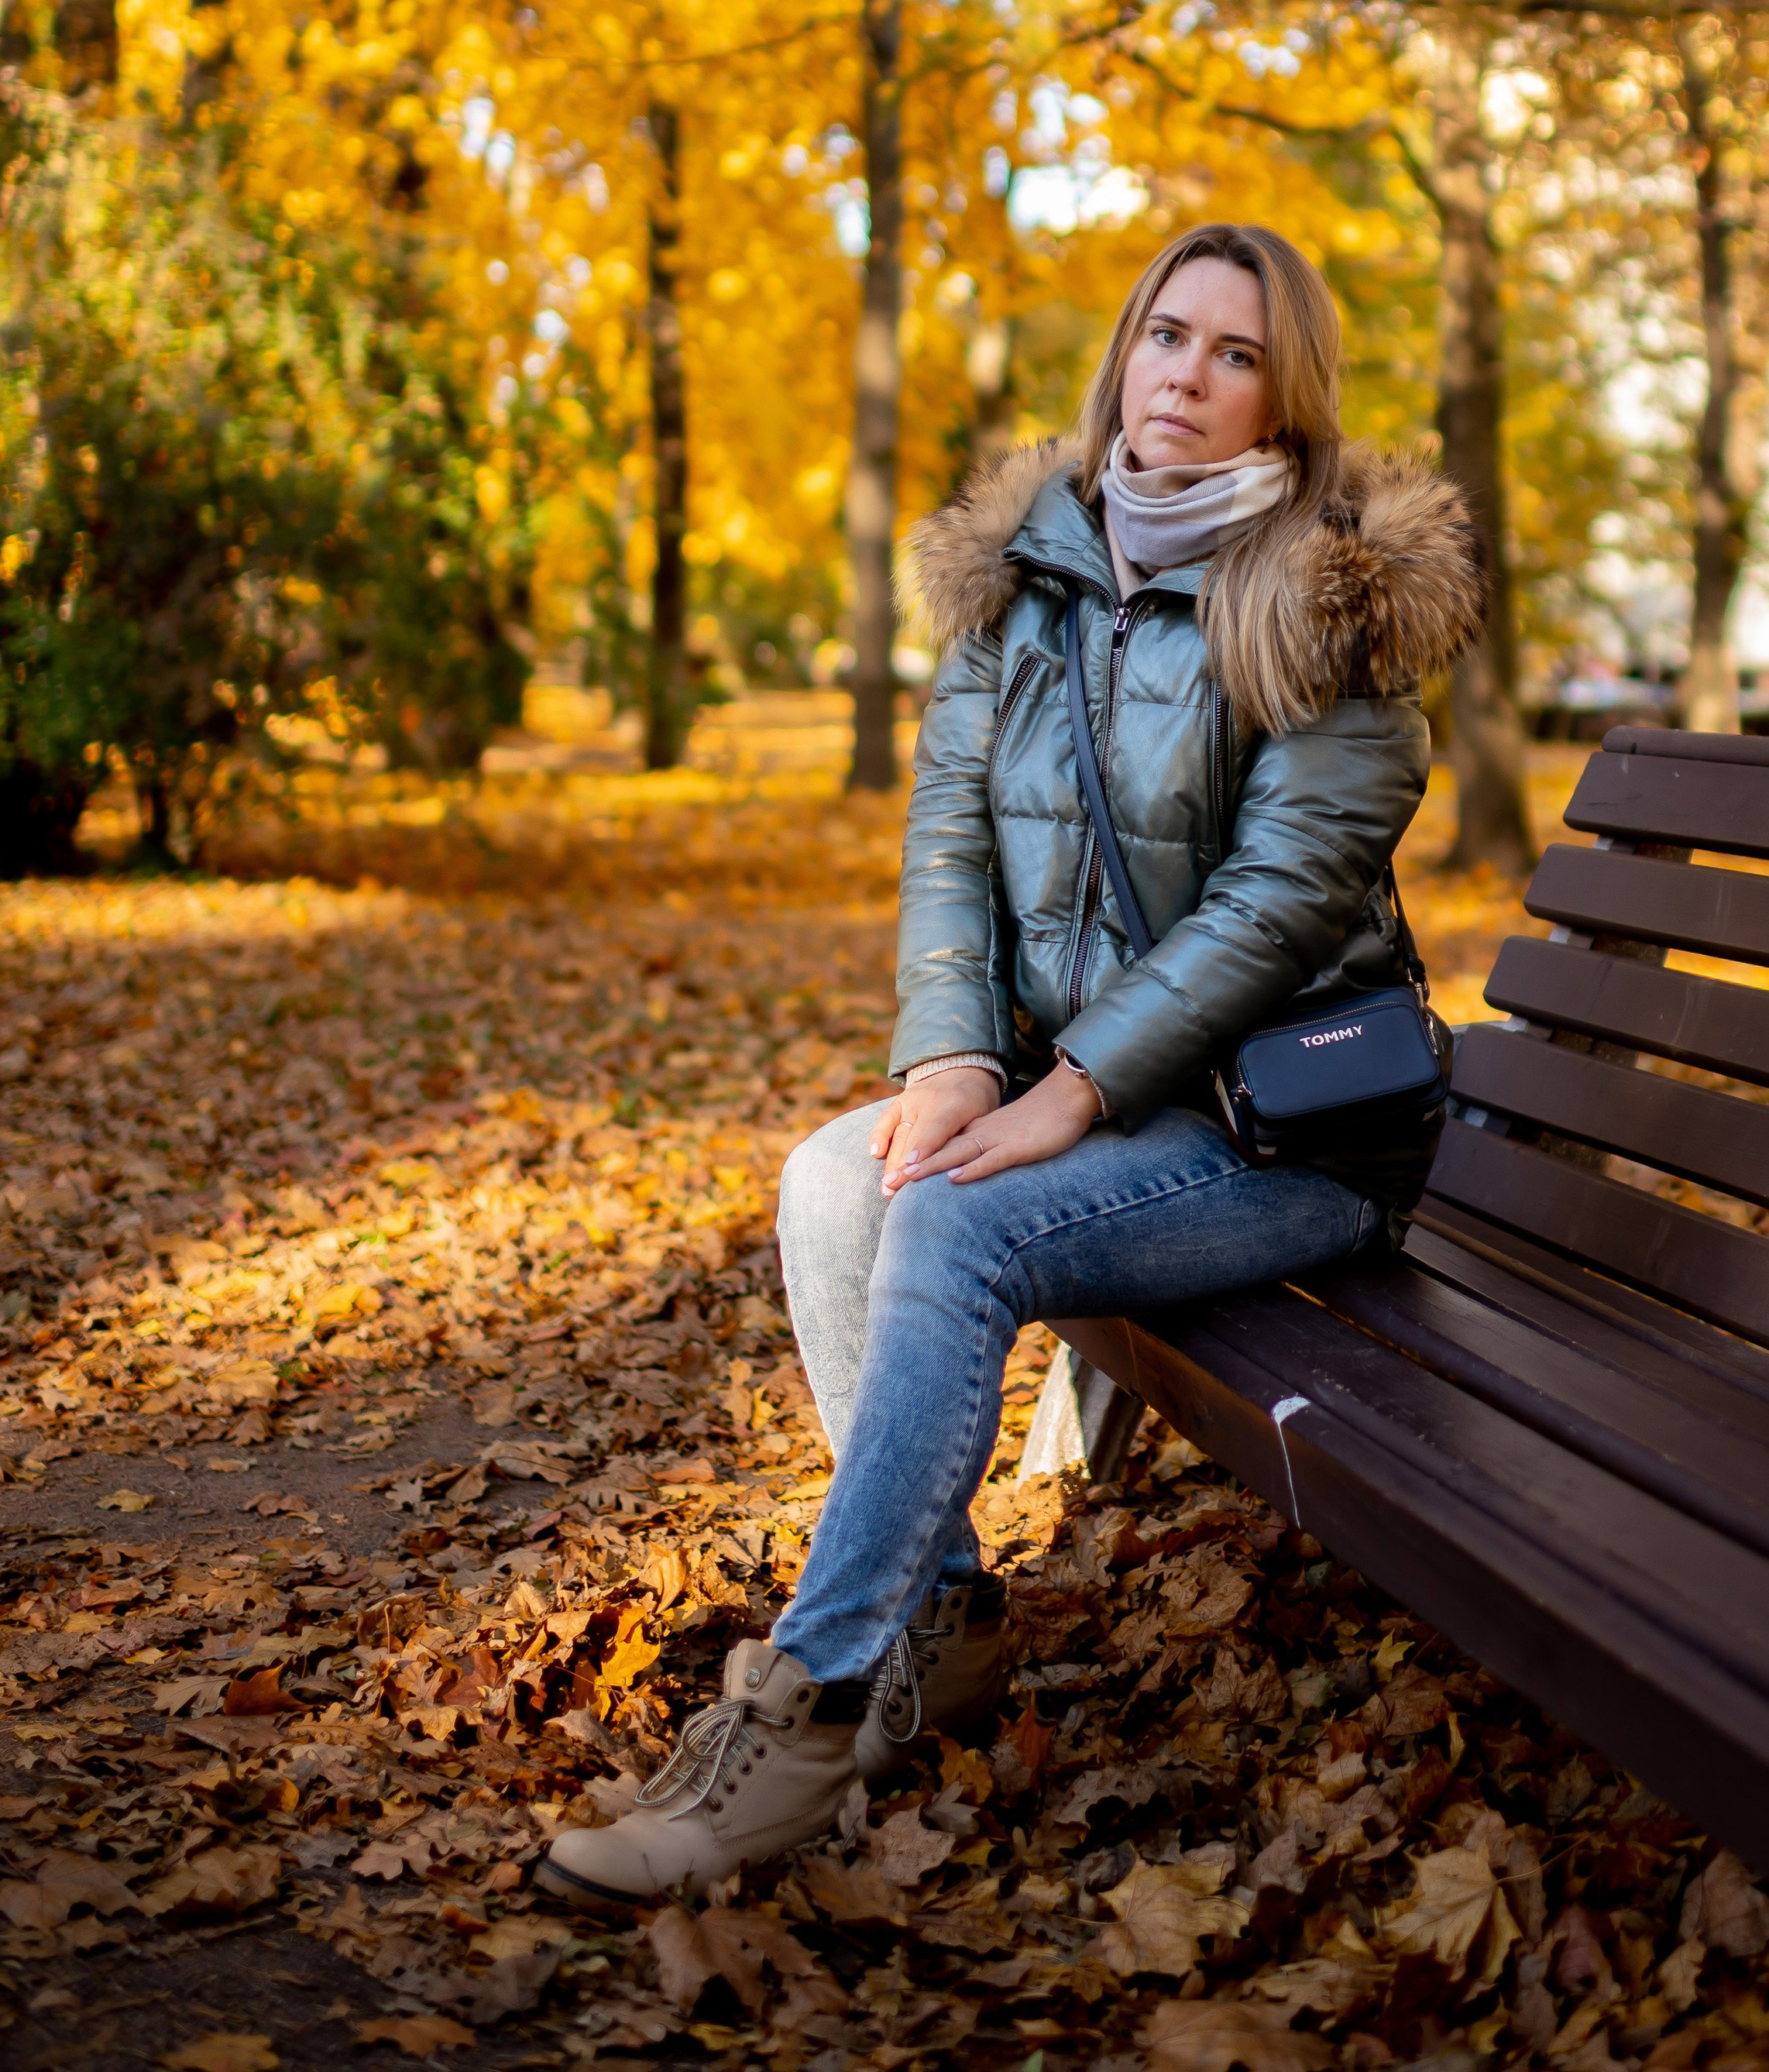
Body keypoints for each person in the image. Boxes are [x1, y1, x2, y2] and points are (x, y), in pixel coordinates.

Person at [538, 222, 1486, 1909]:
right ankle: (946, 1621)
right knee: (844, 1173)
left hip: (1288, 1139)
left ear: (1286, 397)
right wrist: (955, 1054)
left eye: (1234, 353)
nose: (1185, 376)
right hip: (1096, 1097)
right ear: (1121, 353)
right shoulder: (1030, 579)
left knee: (961, 1229)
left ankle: (804, 1706)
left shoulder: (1325, 608)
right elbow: (949, 842)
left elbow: (1274, 907)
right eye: (1165, 336)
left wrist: (1072, 1088)